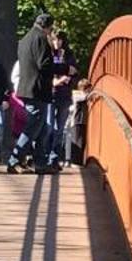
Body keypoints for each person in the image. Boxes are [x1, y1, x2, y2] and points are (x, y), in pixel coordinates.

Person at [12, 11, 57, 174]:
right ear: (48, 27)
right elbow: (44, 65)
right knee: (33, 127)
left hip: (26, 88)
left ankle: (40, 163)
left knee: (42, 128)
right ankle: (14, 160)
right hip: (36, 90)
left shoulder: (24, 39)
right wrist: (64, 68)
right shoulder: (40, 39)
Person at [45, 29, 77, 169]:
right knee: (49, 127)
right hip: (50, 95)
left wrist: (64, 78)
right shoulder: (47, 53)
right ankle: (45, 156)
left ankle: (54, 158)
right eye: (54, 40)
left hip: (64, 96)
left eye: (59, 40)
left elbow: (73, 71)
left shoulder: (69, 55)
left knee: (60, 130)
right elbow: (45, 71)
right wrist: (58, 80)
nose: (56, 42)